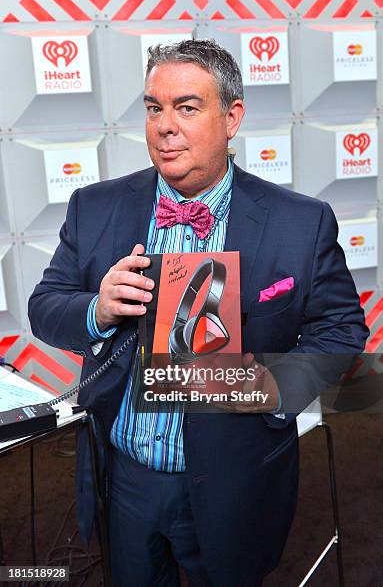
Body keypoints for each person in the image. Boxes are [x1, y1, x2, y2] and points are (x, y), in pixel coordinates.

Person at [29, 39, 368, 586]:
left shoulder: (300, 224)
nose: (165, 126)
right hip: (126, 477)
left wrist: (270, 385)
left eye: (186, 107)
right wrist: (99, 307)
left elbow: (342, 330)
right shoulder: (93, 207)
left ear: (232, 118)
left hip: (235, 479)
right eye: (153, 107)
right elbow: (45, 306)